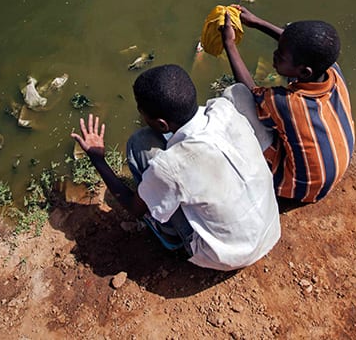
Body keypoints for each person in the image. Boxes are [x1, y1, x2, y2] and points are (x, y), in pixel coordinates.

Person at [70, 64, 280, 271]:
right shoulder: (225, 109)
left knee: (140, 143)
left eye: (141, 112)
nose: (141, 116)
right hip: (269, 228)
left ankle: (170, 233)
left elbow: (134, 208)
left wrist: (97, 159)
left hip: (227, 256)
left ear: (162, 124)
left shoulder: (169, 167)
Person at [220, 6, 355, 204]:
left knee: (236, 94)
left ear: (305, 72)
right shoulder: (332, 71)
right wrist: (257, 23)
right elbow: (298, 45)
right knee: (292, 81)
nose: (274, 55)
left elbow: (250, 91)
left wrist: (229, 44)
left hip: (298, 188)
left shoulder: (286, 102)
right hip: (334, 166)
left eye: (280, 56)